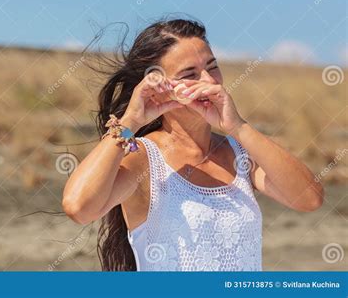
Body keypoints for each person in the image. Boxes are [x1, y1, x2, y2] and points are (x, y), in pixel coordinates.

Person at [62, 18, 324, 271]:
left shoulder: (239, 154)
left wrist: (238, 127)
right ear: (157, 86)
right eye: (189, 74)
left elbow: (309, 198)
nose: (209, 82)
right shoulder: (144, 157)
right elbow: (79, 208)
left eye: (212, 66)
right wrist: (130, 120)